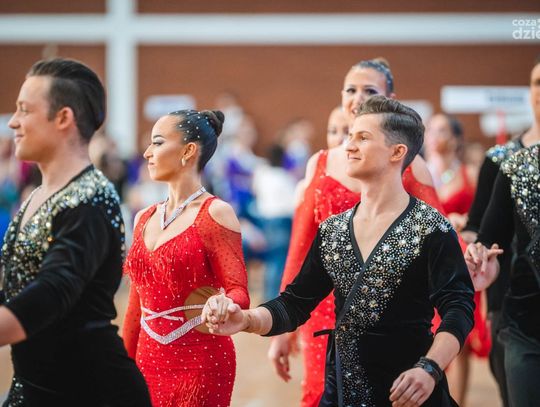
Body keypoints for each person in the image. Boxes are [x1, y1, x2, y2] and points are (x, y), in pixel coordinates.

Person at [204, 96, 475, 407]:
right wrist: (246, 319)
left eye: (363, 137)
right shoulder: (333, 230)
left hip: (409, 391)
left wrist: (429, 368)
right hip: (342, 392)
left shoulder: (431, 227)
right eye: (349, 136)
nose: (349, 146)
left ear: (397, 152)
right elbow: (295, 303)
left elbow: (458, 308)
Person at [268, 57, 446, 407]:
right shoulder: (319, 163)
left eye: (369, 91)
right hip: (322, 309)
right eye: (351, 90)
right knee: (323, 394)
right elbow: (300, 249)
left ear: (389, 99)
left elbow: (438, 240)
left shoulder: (409, 164)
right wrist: (283, 326)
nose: (358, 98)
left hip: (390, 314)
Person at [0, 58, 151, 406]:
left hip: (92, 392)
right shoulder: (37, 195)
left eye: (25, 110)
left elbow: (53, 291)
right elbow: (18, 288)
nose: (13, 122)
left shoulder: (91, 199)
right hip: (34, 387)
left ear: (63, 118)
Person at [122, 109, 250, 406]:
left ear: (188, 151)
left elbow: (239, 291)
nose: (147, 153)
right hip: (147, 361)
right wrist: (123, 368)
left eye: (157, 142)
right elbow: (135, 306)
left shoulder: (215, 213)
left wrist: (225, 303)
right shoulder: (143, 218)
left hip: (201, 362)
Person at [461, 55, 540, 406]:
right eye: (537, 82)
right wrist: (475, 251)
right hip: (520, 313)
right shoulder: (510, 163)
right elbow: (485, 233)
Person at [424, 113, 490, 405]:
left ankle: (458, 401)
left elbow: (483, 217)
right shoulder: (420, 172)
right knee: (426, 330)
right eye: (431, 130)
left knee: (458, 333)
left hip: (460, 259)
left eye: (442, 130)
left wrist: (465, 220)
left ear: (455, 139)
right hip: (427, 259)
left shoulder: (469, 174)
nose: (434, 136)